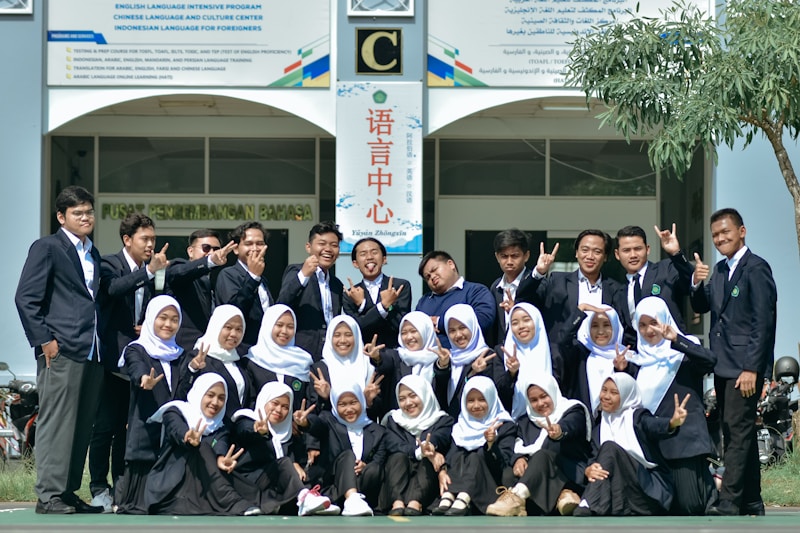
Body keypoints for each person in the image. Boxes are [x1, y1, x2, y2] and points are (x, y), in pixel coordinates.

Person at [15, 186, 105, 514]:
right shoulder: (47, 248)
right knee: (57, 423)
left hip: (91, 350)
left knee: (81, 425)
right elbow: (26, 297)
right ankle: (48, 495)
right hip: (61, 350)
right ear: (61, 216)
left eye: (89, 212)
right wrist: (45, 340)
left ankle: (66, 493)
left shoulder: (92, 252)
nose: (85, 218)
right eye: (78, 213)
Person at [690, 208, 777, 516]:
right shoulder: (720, 270)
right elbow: (702, 305)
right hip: (723, 366)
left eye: (726, 232)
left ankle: (728, 502)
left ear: (742, 231)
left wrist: (753, 368)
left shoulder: (756, 268)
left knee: (737, 434)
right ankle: (752, 500)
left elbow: (762, 324)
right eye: (715, 235)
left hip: (744, 368)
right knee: (737, 431)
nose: (720, 238)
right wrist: (697, 283)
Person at [92, 212, 168, 511]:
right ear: (127, 240)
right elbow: (112, 289)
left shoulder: (153, 270)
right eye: (144, 239)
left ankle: (122, 486)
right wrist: (149, 271)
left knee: (126, 427)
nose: (150, 244)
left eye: (153, 239)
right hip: (111, 360)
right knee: (104, 427)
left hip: (137, 362)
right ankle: (99, 486)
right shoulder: (111, 263)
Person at [630, 296, 717, 515]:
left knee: (690, 507)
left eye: (654, 322)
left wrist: (676, 339)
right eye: (642, 324)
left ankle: (715, 483)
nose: (649, 330)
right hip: (652, 445)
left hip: (683, 443)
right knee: (659, 508)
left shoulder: (684, 350)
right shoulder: (636, 361)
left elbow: (709, 361)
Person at [144, 373, 261, 516]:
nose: (215, 402)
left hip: (200, 486)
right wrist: (187, 437)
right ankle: (231, 501)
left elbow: (220, 443)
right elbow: (175, 429)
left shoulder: (220, 425)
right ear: (199, 393)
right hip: (172, 488)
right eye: (210, 395)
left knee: (252, 492)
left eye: (221, 398)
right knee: (203, 447)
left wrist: (220, 458)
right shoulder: (176, 412)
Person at [574, 373, 688, 517]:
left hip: (648, 493)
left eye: (614, 392)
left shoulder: (638, 417)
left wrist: (672, 423)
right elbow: (595, 457)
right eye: (604, 390)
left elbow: (654, 426)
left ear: (627, 395)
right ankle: (594, 503)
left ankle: (589, 502)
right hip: (622, 499)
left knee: (609, 447)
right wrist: (589, 469)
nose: (606, 396)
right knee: (605, 455)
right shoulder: (599, 426)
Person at [115, 295, 186, 514]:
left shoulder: (180, 354)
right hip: (146, 431)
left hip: (172, 434)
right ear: (151, 318)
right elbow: (136, 367)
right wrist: (143, 379)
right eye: (162, 318)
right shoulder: (137, 349)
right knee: (138, 508)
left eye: (174, 319)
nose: (168, 324)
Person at [486, 374, 591, 517]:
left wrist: (559, 431)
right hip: (539, 475)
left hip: (567, 471)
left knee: (542, 456)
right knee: (509, 474)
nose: (540, 403)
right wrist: (519, 458)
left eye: (544, 396)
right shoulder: (525, 422)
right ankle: (561, 496)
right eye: (533, 400)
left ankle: (516, 498)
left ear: (553, 392)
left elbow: (572, 425)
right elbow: (518, 444)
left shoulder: (572, 410)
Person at [295, 384, 387, 516]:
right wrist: (305, 423)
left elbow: (379, 459)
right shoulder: (329, 421)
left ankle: (346, 500)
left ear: (361, 401)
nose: (349, 409)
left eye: (353, 403)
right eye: (342, 405)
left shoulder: (378, 431)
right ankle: (351, 500)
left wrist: (365, 466)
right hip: (332, 482)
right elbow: (317, 426)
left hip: (362, 482)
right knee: (348, 455)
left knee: (374, 469)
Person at [432, 376, 515, 516]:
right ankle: (450, 495)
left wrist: (491, 444)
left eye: (482, 399)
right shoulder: (460, 427)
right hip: (459, 483)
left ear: (491, 399)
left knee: (476, 457)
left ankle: (464, 495)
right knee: (459, 455)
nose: (476, 406)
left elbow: (503, 464)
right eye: (470, 401)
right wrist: (443, 470)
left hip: (489, 485)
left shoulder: (505, 426)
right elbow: (452, 457)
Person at [525, 231, 622, 347]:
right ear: (576, 253)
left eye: (597, 252)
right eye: (585, 250)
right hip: (563, 356)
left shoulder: (615, 289)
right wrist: (539, 272)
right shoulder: (557, 281)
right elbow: (525, 299)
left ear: (605, 257)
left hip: (601, 357)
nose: (590, 256)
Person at [229, 382, 311, 515]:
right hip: (247, 483)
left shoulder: (287, 434)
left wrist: (294, 463)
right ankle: (304, 497)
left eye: (285, 407)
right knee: (284, 463)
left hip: (270, 488)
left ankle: (302, 499)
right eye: (275, 403)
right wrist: (258, 431)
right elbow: (243, 431)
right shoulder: (246, 419)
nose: (279, 410)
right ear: (264, 400)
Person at [612, 225, 694, 347]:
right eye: (626, 250)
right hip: (643, 359)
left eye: (638, 248)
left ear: (647, 249)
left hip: (674, 353)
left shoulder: (666, 269)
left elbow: (688, 282)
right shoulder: (620, 291)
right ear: (617, 254)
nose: (633, 255)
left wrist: (676, 253)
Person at [383, 374, 454, 516]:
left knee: (428, 460)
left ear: (425, 395)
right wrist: (419, 452)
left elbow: (440, 437)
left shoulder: (442, 420)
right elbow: (393, 444)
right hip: (398, 479)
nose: (408, 403)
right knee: (397, 457)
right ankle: (397, 502)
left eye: (413, 396)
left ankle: (415, 502)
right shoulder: (393, 420)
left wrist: (431, 448)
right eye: (402, 399)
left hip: (426, 486)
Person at [277, 221, 345, 360]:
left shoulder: (336, 284)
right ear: (309, 247)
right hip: (300, 353)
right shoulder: (296, 271)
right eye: (322, 243)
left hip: (329, 354)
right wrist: (304, 275)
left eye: (334, 245)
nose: (328, 249)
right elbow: (282, 303)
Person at [166, 229, 236, 352]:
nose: (211, 253)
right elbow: (178, 273)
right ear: (190, 251)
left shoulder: (216, 280)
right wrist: (209, 262)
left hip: (208, 351)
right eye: (206, 248)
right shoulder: (179, 266)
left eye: (216, 249)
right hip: (183, 350)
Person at [431, 304, 505, 418]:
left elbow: (493, 395)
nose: (458, 335)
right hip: (451, 428)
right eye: (452, 330)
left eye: (462, 328)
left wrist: (476, 373)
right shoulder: (448, 358)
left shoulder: (487, 356)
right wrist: (442, 367)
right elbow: (439, 396)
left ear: (472, 326)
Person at [415, 250, 496, 348]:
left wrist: (440, 322)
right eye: (427, 277)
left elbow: (483, 320)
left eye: (434, 270)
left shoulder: (475, 291)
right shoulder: (424, 302)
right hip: (430, 360)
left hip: (469, 360)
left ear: (451, 264)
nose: (432, 277)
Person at [558, 304, 631, 412]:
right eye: (595, 326)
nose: (600, 331)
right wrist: (581, 310)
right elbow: (562, 340)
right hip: (585, 423)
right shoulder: (581, 353)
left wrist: (621, 370)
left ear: (615, 326)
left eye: (606, 325)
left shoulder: (627, 357)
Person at [363, 311, 439, 413]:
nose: (408, 337)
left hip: (432, 424)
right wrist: (377, 357)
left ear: (426, 331)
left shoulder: (440, 360)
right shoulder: (397, 357)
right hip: (399, 426)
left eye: (413, 331)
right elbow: (385, 362)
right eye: (404, 333)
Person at [342, 237, 411, 349]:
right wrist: (383, 306)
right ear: (355, 263)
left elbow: (400, 325)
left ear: (384, 259)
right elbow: (357, 327)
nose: (369, 257)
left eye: (374, 252)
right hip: (363, 354)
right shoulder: (349, 294)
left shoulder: (400, 286)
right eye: (363, 254)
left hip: (393, 353)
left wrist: (364, 308)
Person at [215, 222, 272, 355]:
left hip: (263, 350)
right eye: (248, 244)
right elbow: (234, 311)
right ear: (236, 249)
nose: (255, 248)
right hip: (240, 350)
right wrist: (252, 277)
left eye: (260, 243)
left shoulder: (262, 279)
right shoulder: (228, 274)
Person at [183, 305, 250, 418]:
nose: (233, 334)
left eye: (239, 329)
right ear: (216, 326)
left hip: (238, 430)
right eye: (228, 327)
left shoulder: (240, 359)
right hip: (209, 430)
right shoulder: (199, 356)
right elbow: (182, 393)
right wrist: (193, 370)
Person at [245, 304, 314, 412]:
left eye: (290, 327)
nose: (284, 331)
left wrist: (303, 423)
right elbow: (249, 401)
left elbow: (309, 402)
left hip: (295, 427)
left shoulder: (303, 361)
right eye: (279, 325)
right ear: (268, 325)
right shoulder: (253, 360)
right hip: (260, 425)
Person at [500, 303, 558, 416]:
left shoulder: (554, 352)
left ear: (537, 321)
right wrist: (512, 373)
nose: (521, 326)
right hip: (518, 422)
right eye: (515, 323)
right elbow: (500, 393)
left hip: (553, 418)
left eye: (526, 320)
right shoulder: (502, 352)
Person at [489, 229, 534, 346]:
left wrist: (516, 309)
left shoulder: (537, 284)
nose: (509, 261)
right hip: (504, 354)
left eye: (515, 256)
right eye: (504, 256)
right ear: (497, 257)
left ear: (526, 256)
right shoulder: (496, 287)